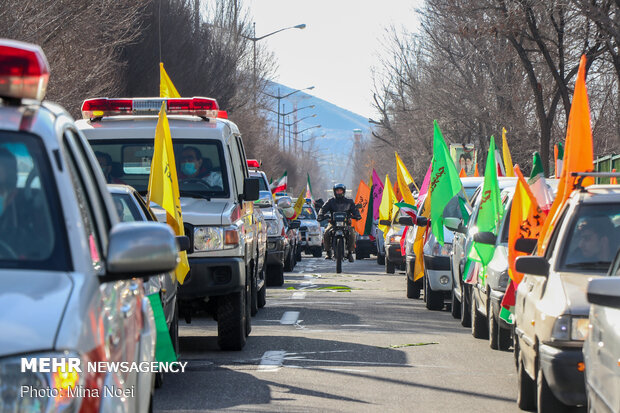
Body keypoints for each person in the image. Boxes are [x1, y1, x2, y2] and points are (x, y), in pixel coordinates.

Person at [317, 183, 362, 262]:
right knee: (326, 233)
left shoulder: (349, 201)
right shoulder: (330, 201)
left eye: (340, 190)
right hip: (333, 223)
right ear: (334, 191)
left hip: (346, 224)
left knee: (352, 233)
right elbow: (323, 209)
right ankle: (328, 252)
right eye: (337, 190)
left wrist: (357, 215)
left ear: (343, 191)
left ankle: (350, 253)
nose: (339, 192)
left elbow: (355, 210)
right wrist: (321, 215)